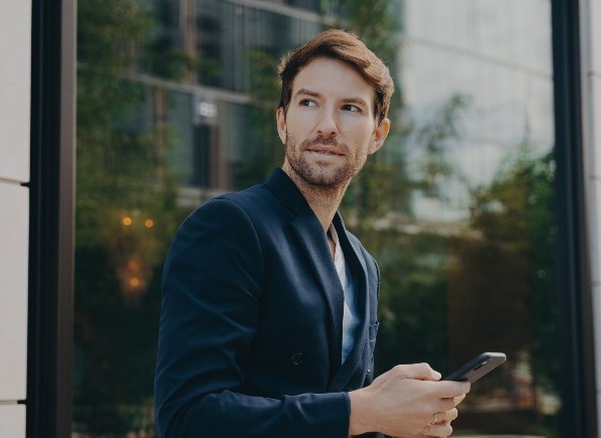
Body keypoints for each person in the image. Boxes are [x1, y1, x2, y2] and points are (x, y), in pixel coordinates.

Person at [154, 28, 470, 437]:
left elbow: (339, 412)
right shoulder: (229, 226)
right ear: (283, 120)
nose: (327, 126)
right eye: (308, 103)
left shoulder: (362, 264)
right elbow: (188, 417)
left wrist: (399, 419)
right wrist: (364, 411)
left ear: (378, 134)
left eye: (351, 108)